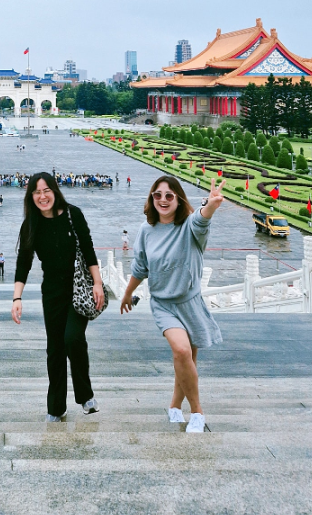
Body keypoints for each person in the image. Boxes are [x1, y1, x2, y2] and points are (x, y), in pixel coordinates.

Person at [120, 176, 225, 434]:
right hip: (163, 303)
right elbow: (140, 268)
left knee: (186, 360)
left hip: (190, 302)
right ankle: (198, 413)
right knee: (181, 351)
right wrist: (127, 294)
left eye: (169, 195)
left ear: (178, 199)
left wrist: (211, 205)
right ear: (151, 198)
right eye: (158, 195)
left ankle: (175, 406)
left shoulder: (189, 226)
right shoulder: (146, 230)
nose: (163, 200)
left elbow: (202, 219)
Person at [12, 172, 105, 422]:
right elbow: (24, 262)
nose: (42, 196)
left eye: (46, 190)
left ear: (55, 191)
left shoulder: (74, 214)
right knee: (54, 349)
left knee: (72, 338)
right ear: (31, 196)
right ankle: (56, 408)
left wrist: (97, 283)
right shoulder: (31, 223)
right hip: (51, 292)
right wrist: (16, 298)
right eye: (37, 192)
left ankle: (85, 396)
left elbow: (88, 248)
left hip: (77, 288)